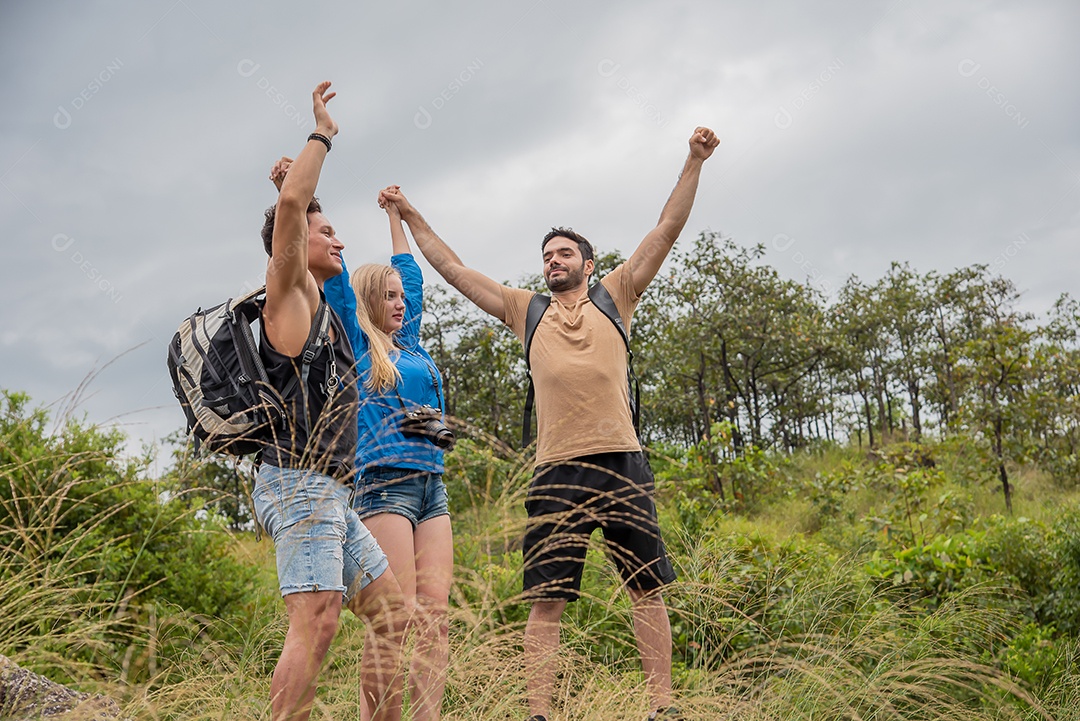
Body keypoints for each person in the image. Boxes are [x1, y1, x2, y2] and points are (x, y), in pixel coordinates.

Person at [378, 125, 719, 721]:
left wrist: (693, 160)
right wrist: (407, 213)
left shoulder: (619, 294)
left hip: (622, 460)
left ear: (587, 263)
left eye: (563, 253)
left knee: (647, 587)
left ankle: (662, 708)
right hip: (556, 470)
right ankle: (539, 712)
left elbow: (665, 230)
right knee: (547, 598)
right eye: (546, 256)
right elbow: (454, 270)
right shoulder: (524, 309)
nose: (552, 261)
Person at [253, 80, 404, 721]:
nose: (340, 241)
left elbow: (293, 206)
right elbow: (292, 207)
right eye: (328, 231)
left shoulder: (325, 308)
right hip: (299, 483)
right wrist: (322, 135)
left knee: (392, 616)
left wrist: (297, 194)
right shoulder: (288, 299)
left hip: (331, 490)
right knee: (316, 620)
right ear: (296, 246)